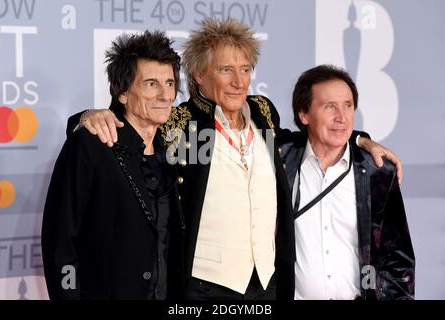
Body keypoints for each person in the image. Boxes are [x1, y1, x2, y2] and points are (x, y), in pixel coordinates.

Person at [69, 18, 402, 300]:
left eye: (245, 69)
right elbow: (130, 125)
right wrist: (86, 117)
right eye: (226, 70)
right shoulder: (179, 123)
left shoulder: (263, 111)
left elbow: (308, 136)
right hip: (205, 285)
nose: (239, 80)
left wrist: (360, 138)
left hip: (268, 283)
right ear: (199, 75)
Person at [41, 31, 185, 299]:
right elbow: (60, 244)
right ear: (122, 93)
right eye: (151, 84)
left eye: (170, 83)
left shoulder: (173, 150)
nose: (165, 95)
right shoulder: (91, 145)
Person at [280, 64, 415, 300]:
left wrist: (362, 139)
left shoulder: (378, 172)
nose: (341, 118)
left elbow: (398, 261)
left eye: (348, 106)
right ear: (304, 114)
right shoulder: (280, 160)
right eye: (329, 106)